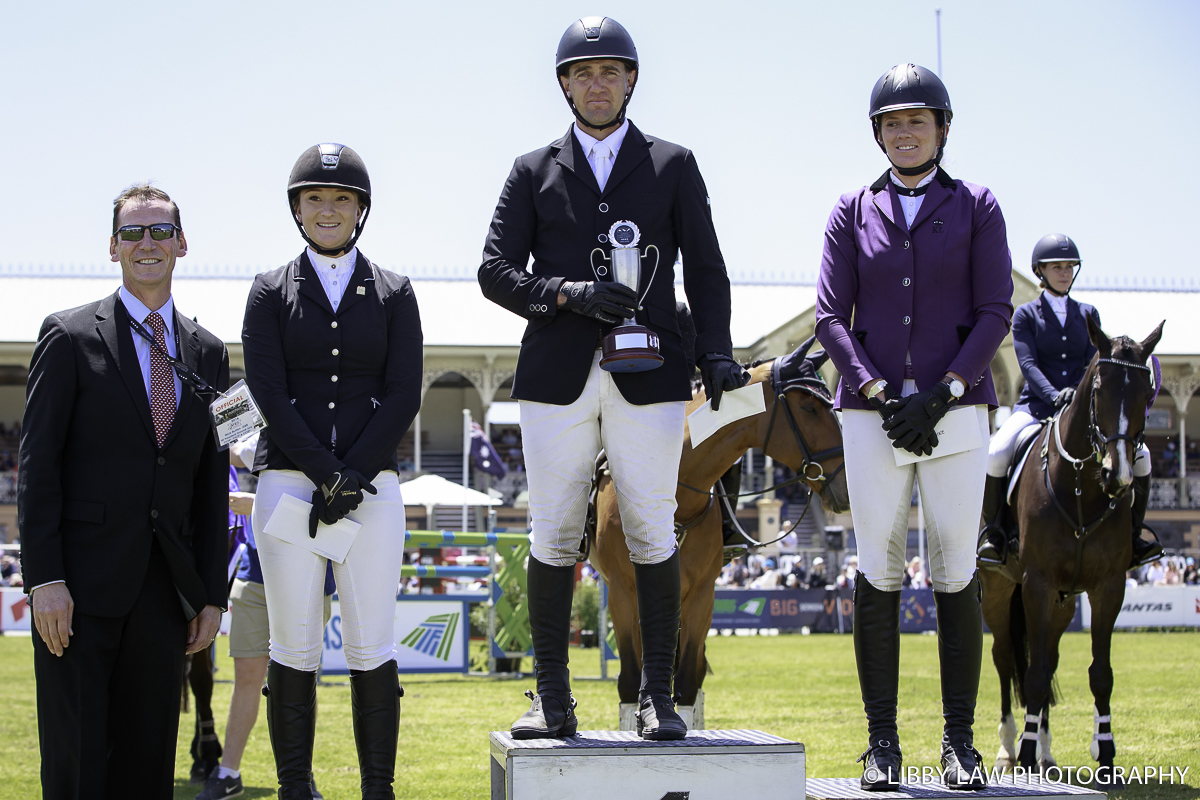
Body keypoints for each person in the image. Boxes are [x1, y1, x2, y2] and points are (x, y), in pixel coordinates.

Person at [478, 16, 745, 742]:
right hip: (558, 374)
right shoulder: (532, 169)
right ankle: (551, 699)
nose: (596, 83)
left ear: (631, 80)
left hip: (652, 368)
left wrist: (716, 349)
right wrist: (566, 294)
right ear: (564, 84)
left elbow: (708, 268)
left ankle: (657, 695)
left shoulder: (674, 163)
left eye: (610, 71)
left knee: (654, 523)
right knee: (555, 529)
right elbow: (494, 271)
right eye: (582, 73)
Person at [815, 64, 1014, 790]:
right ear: (878, 134)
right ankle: (881, 743)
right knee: (878, 565)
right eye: (892, 122)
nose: (904, 132)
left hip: (955, 413)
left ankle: (960, 742)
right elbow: (830, 314)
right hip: (872, 414)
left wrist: (943, 390)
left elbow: (996, 308)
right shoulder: (850, 208)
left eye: (916, 121)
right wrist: (874, 386)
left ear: (942, 130)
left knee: (957, 564)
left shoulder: (977, 205)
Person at [18, 183, 229, 798]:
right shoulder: (68, 336)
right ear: (112, 247)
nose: (146, 243)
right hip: (77, 596)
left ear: (181, 244)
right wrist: (45, 579)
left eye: (160, 230)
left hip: (165, 598)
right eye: (132, 232)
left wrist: (210, 594)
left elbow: (211, 482)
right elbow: (38, 469)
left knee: (147, 769)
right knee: (77, 767)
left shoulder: (209, 353)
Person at [242, 144, 423, 799]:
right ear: (297, 208)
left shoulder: (396, 292)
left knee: (372, 640)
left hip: (372, 486)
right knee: (294, 642)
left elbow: (405, 390)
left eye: (341, 198)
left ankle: (379, 788)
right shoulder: (268, 291)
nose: (327, 209)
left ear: (360, 210)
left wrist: (354, 473)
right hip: (291, 484)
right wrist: (326, 473)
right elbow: (266, 389)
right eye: (315, 198)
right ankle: (296, 786)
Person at [977, 235, 1161, 567]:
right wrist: (1053, 394)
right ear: (1041, 272)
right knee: (996, 451)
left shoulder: (1088, 314)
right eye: (1057, 267)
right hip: (1036, 407)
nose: (1064, 273)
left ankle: (1134, 537)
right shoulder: (1025, 316)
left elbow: (1095, 365)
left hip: (1081, 411)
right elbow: (1028, 365)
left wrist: (1078, 395)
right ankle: (994, 534)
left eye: (1069, 267)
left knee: (1143, 456)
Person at [195, 435, 330, 800]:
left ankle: (301, 776)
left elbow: (334, 499)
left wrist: (255, 504)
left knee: (300, 681)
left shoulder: (328, 425)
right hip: (254, 573)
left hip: (311, 572)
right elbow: (236, 449)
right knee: (247, 679)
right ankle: (227, 772)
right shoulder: (273, 417)